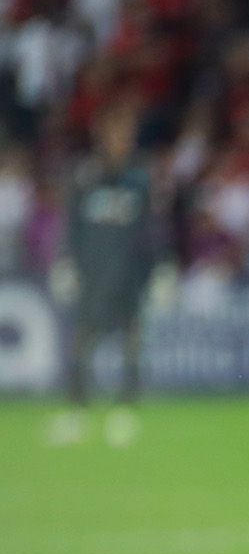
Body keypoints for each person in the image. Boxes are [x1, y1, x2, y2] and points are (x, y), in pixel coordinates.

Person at [50, 101, 157, 448]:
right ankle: (76, 411)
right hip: (93, 272)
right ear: (102, 136)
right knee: (83, 339)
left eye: (126, 134)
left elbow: (152, 230)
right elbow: (73, 226)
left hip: (129, 273)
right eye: (115, 133)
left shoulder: (139, 181)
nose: (120, 140)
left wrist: (161, 267)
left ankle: (124, 412)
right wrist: (65, 262)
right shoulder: (86, 178)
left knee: (131, 340)